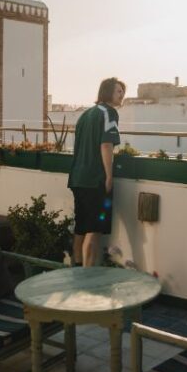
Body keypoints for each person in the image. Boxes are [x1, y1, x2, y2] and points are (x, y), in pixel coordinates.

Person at [68, 77, 126, 267]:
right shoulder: (109, 113)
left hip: (77, 178)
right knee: (94, 228)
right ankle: (88, 276)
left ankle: (76, 269)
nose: (122, 95)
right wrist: (109, 176)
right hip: (95, 180)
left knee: (81, 227)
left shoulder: (86, 114)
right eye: (119, 91)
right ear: (108, 92)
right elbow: (106, 144)